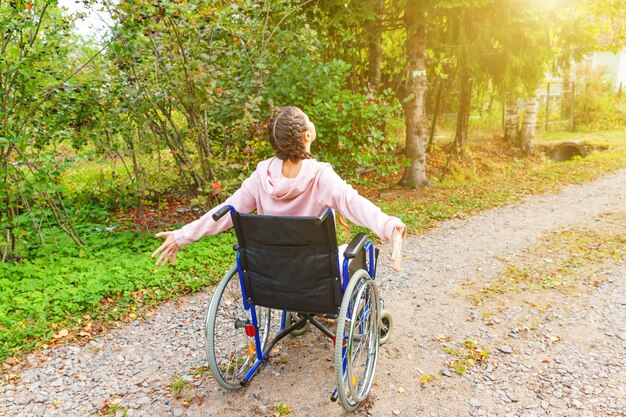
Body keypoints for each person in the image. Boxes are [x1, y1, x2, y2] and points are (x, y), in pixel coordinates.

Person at [152, 106, 406, 272]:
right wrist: (390, 226)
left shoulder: (262, 176)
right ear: (307, 135)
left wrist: (183, 234)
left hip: (271, 272)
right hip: (313, 273)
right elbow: (354, 203)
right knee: (362, 252)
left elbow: (226, 211)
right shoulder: (320, 176)